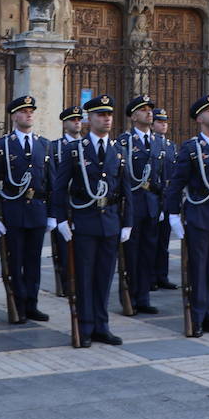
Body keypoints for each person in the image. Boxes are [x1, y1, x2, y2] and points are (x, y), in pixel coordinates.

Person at [52, 94, 135, 346]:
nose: (106, 119)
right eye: (101, 115)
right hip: (84, 221)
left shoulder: (118, 151)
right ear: (89, 119)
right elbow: (59, 187)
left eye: (109, 114)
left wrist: (127, 222)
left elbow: (126, 188)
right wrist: (60, 220)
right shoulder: (74, 149)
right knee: (85, 277)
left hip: (110, 221)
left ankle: (102, 325)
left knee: (104, 277)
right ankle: (85, 327)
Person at [165, 94, 209, 336]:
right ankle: (196, 317)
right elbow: (176, 184)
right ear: (199, 118)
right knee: (198, 268)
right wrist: (173, 215)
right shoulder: (191, 148)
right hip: (199, 213)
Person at [0, 95, 56, 322]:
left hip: (37, 210)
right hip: (13, 211)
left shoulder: (44, 145)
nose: (29, 114)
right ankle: (17, 304)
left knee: (33, 261)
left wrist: (53, 215)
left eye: (31, 111)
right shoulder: (2, 146)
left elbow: (52, 183)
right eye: (24, 111)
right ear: (14, 116)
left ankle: (32, 304)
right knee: (15, 261)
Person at [118, 94, 169, 315]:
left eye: (150, 109)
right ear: (133, 116)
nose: (149, 112)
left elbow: (165, 176)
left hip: (152, 204)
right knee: (131, 254)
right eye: (143, 109)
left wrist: (163, 205)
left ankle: (144, 296)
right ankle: (129, 297)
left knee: (149, 252)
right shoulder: (124, 141)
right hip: (133, 203)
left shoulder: (159, 142)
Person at [49, 105, 85, 297]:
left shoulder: (86, 146)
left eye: (79, 119)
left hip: (83, 204)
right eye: (72, 120)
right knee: (63, 248)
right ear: (65, 124)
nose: (77, 122)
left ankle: (80, 281)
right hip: (63, 204)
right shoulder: (54, 147)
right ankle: (65, 283)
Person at [151, 108, 179, 292]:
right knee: (151, 240)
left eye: (165, 121)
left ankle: (162, 275)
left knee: (164, 240)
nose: (164, 124)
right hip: (153, 196)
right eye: (160, 121)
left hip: (166, 197)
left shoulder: (171, 146)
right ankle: (150, 277)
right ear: (153, 124)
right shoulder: (150, 143)